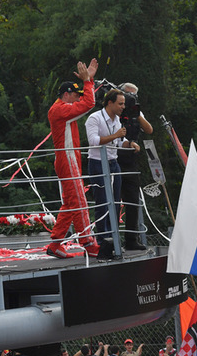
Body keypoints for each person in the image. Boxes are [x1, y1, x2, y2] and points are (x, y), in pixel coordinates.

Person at [46, 58, 102, 259]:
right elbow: (89, 103)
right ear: (66, 94)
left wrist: (90, 80)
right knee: (79, 201)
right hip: (67, 160)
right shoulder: (60, 110)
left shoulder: (61, 109)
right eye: (75, 95)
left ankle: (55, 243)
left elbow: (86, 101)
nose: (78, 99)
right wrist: (87, 82)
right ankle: (88, 242)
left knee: (71, 203)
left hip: (69, 160)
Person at [85, 88, 128, 238]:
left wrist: (130, 144)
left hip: (113, 163)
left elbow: (119, 141)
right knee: (102, 202)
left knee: (116, 201)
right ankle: (103, 239)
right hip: (97, 163)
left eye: (123, 104)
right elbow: (93, 141)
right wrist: (115, 135)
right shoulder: (94, 118)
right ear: (110, 103)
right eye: (120, 103)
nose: (123, 107)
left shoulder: (117, 119)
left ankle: (113, 237)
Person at [117, 82, 153, 251]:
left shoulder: (135, 111)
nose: (130, 100)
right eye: (127, 95)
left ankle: (132, 238)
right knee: (115, 200)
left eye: (133, 96)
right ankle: (111, 240)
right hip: (114, 157)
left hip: (131, 158)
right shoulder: (113, 111)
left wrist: (136, 113)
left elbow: (149, 129)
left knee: (132, 200)